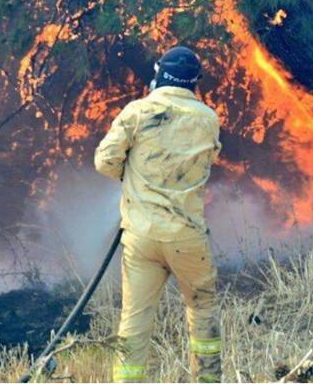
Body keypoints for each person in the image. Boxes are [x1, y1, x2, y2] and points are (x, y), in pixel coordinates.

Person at [94, 46, 222, 383]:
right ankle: (208, 379)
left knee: (134, 321)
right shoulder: (208, 118)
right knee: (202, 308)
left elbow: (105, 162)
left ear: (157, 73)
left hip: (142, 237)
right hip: (187, 237)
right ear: (195, 82)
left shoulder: (137, 111)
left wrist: (133, 173)